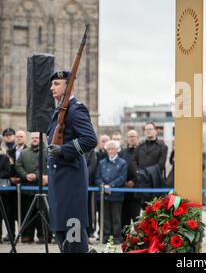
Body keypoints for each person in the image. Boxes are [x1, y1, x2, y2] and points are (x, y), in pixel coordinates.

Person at [46, 70, 98, 253]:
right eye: (52, 84)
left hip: (70, 180)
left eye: (57, 84)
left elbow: (90, 139)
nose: (52, 87)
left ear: (68, 86)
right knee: (61, 230)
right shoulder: (60, 110)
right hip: (59, 179)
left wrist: (63, 150)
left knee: (73, 229)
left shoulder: (76, 109)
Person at [15, 132, 50, 243]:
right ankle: (27, 235)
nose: (35, 139)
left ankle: (44, 235)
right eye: (33, 138)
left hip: (44, 190)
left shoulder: (48, 152)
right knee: (27, 214)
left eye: (36, 138)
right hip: (28, 189)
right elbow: (18, 165)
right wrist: (25, 175)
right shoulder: (24, 153)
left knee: (43, 214)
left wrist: (41, 176)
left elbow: (52, 167)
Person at [95, 140, 127, 244]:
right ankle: (105, 236)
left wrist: (111, 186)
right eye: (108, 149)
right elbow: (97, 177)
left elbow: (122, 177)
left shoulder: (122, 163)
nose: (110, 151)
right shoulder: (101, 162)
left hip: (116, 195)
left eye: (112, 148)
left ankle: (117, 237)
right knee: (105, 217)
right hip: (104, 194)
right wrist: (103, 186)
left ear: (117, 150)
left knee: (116, 217)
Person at [133, 122, 168, 206]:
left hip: (155, 183)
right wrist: (138, 172)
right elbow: (134, 162)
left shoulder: (163, 147)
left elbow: (161, 164)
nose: (148, 131)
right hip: (141, 183)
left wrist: (146, 173)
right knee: (142, 213)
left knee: (155, 212)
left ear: (155, 131)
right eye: (146, 129)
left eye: (150, 129)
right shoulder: (139, 147)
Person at [120, 129, 140, 230]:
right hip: (123, 189)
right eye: (130, 137)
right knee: (124, 217)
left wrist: (134, 181)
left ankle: (138, 239)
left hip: (136, 190)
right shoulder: (122, 153)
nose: (131, 139)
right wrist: (123, 182)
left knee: (136, 217)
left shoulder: (141, 151)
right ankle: (124, 238)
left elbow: (142, 168)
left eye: (133, 136)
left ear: (137, 138)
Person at [0, 135, 12, 243]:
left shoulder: (4, 158)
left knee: (5, 214)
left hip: (2, 191)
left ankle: (10, 235)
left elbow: (7, 172)